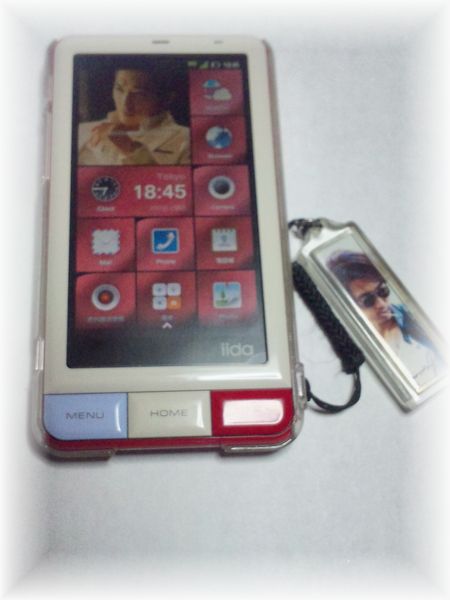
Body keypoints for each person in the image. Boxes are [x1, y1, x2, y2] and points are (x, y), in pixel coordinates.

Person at [327, 250, 441, 386]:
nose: (381, 304)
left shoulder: (412, 316)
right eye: (367, 300)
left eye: (382, 290)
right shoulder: (355, 347)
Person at [78, 68, 190, 166]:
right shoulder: (83, 130)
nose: (126, 103)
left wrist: (131, 148)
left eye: (139, 94)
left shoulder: (186, 140)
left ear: (167, 98)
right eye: (119, 89)